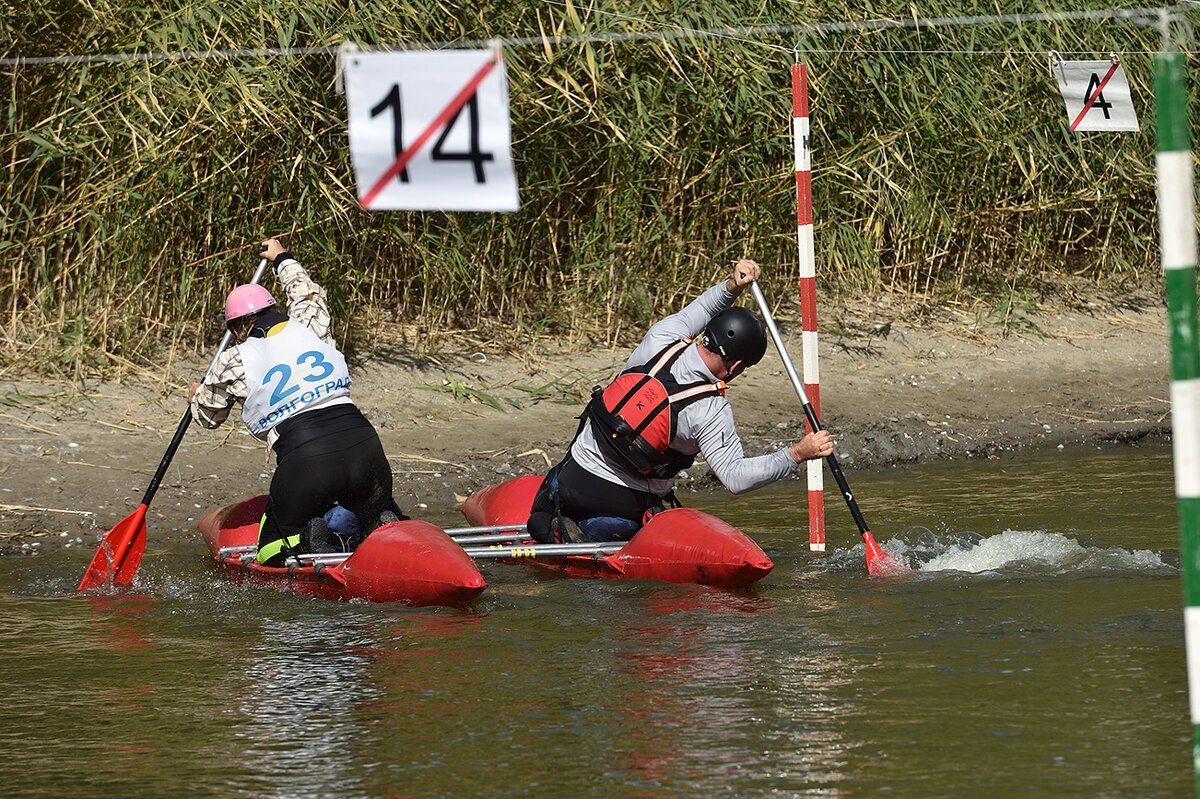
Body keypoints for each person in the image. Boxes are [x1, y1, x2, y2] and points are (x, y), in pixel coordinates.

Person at [527, 259, 834, 544]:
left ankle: (550, 517)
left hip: (575, 474)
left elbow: (703, 306)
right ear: (738, 366)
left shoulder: (664, 336)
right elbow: (735, 478)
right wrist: (796, 453)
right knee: (619, 524)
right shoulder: (711, 410)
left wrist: (733, 285)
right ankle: (598, 532)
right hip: (624, 500)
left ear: (708, 331)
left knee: (548, 502)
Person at [189, 238, 402, 566]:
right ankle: (381, 523)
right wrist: (281, 257)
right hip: (365, 446)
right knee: (373, 512)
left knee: (269, 550)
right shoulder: (309, 322)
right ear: (274, 309)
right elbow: (305, 290)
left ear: (237, 329)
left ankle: (306, 540)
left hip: (308, 461)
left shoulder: (233, 360)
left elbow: (208, 417)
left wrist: (196, 396)